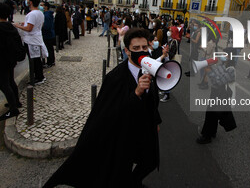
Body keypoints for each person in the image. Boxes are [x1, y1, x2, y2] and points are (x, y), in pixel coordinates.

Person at [43, 28, 162, 188]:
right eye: (136, 48)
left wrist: (155, 121)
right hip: (123, 135)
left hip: (144, 129)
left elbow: (152, 100)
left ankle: (134, 182)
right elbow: (110, 114)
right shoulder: (114, 78)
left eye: (144, 48)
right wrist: (136, 93)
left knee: (150, 161)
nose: (141, 51)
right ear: (127, 51)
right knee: (120, 170)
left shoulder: (148, 69)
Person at [196, 55, 237, 144]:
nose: (223, 56)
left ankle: (207, 136)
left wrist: (210, 72)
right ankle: (212, 132)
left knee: (211, 114)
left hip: (222, 95)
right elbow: (216, 76)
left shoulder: (231, 70)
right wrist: (209, 68)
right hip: (215, 93)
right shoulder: (221, 65)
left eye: (226, 54)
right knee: (212, 114)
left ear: (230, 57)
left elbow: (218, 81)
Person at [14, 0, 48, 85]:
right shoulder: (40, 13)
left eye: (28, 0)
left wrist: (18, 26)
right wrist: (25, 23)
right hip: (36, 39)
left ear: (31, 2)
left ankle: (38, 77)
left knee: (34, 60)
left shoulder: (32, 14)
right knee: (37, 59)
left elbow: (29, 28)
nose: (26, 1)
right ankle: (39, 76)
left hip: (31, 41)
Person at [0, 3, 23, 121]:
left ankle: (13, 109)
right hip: (11, 59)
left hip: (3, 60)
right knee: (10, 80)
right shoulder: (11, 27)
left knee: (4, 84)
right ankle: (16, 102)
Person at [42, 2, 55, 68]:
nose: (41, 7)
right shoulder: (49, 14)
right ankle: (52, 61)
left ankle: (49, 62)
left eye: (42, 5)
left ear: (46, 7)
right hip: (50, 33)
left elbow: (46, 26)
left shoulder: (46, 15)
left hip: (47, 34)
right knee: (50, 48)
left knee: (48, 49)